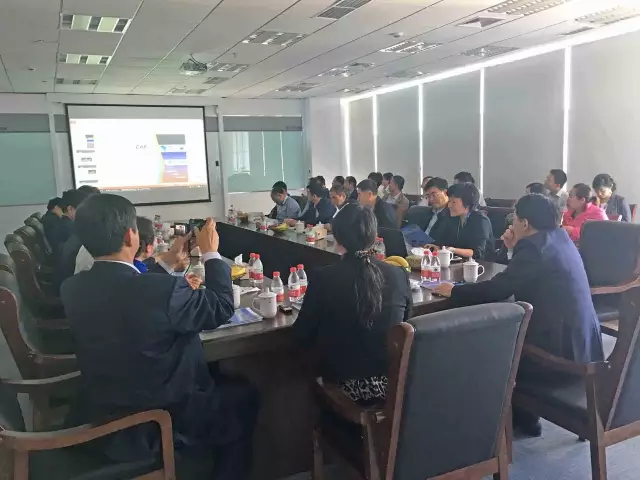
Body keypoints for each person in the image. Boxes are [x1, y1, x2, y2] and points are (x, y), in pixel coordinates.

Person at [60, 194, 258, 480]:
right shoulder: (159, 292)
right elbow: (221, 306)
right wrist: (210, 254)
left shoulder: (73, 288)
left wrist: (166, 263)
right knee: (243, 397)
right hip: (162, 416)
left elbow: (126, 293)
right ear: (130, 236)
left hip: (106, 406)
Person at [433, 194, 604, 436]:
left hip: (558, 355)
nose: (511, 224)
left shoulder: (534, 247)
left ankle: (502, 423)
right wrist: (513, 248)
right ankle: (524, 416)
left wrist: (454, 291)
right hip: (585, 345)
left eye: (514, 219)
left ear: (525, 223)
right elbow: (522, 276)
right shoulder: (558, 238)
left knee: (489, 344)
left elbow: (499, 288)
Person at [294, 204, 412, 402]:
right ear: (374, 236)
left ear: (337, 238)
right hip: (393, 385)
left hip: (343, 385)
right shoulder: (399, 274)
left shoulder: (324, 278)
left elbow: (302, 334)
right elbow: (406, 323)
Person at [54, 187, 100, 291]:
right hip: (70, 287)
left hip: (67, 284)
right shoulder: (75, 231)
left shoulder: (71, 227)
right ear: (70, 209)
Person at [436, 182, 493, 260]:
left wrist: (453, 250)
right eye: (449, 201)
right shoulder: (452, 217)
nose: (449, 205)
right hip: (457, 262)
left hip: (482, 265)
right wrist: (436, 247)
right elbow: (443, 242)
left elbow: (477, 253)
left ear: (467, 203)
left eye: (453, 202)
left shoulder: (481, 220)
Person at [421, 177, 450, 242]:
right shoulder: (428, 212)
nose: (431, 199)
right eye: (428, 196)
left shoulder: (452, 214)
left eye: (434, 195)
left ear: (445, 193)